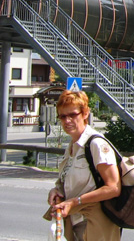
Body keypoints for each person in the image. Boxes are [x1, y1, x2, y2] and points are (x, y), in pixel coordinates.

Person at [46, 90, 121, 240]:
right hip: (74, 220)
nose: (67, 121)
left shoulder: (96, 144)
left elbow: (113, 188)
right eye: (63, 116)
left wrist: (75, 202)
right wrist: (56, 190)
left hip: (95, 222)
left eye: (73, 115)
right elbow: (72, 181)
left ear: (85, 113)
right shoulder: (73, 145)